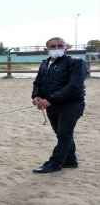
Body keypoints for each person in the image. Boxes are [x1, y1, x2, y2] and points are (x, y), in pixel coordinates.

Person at [32, 37, 86, 174]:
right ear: (47, 49)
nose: (56, 48)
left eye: (60, 45)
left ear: (66, 47)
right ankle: (70, 160)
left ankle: (54, 163)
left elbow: (74, 86)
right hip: (51, 106)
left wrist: (50, 99)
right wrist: (36, 97)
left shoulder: (76, 63)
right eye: (53, 46)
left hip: (72, 105)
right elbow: (38, 82)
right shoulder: (44, 64)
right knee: (61, 134)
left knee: (64, 134)